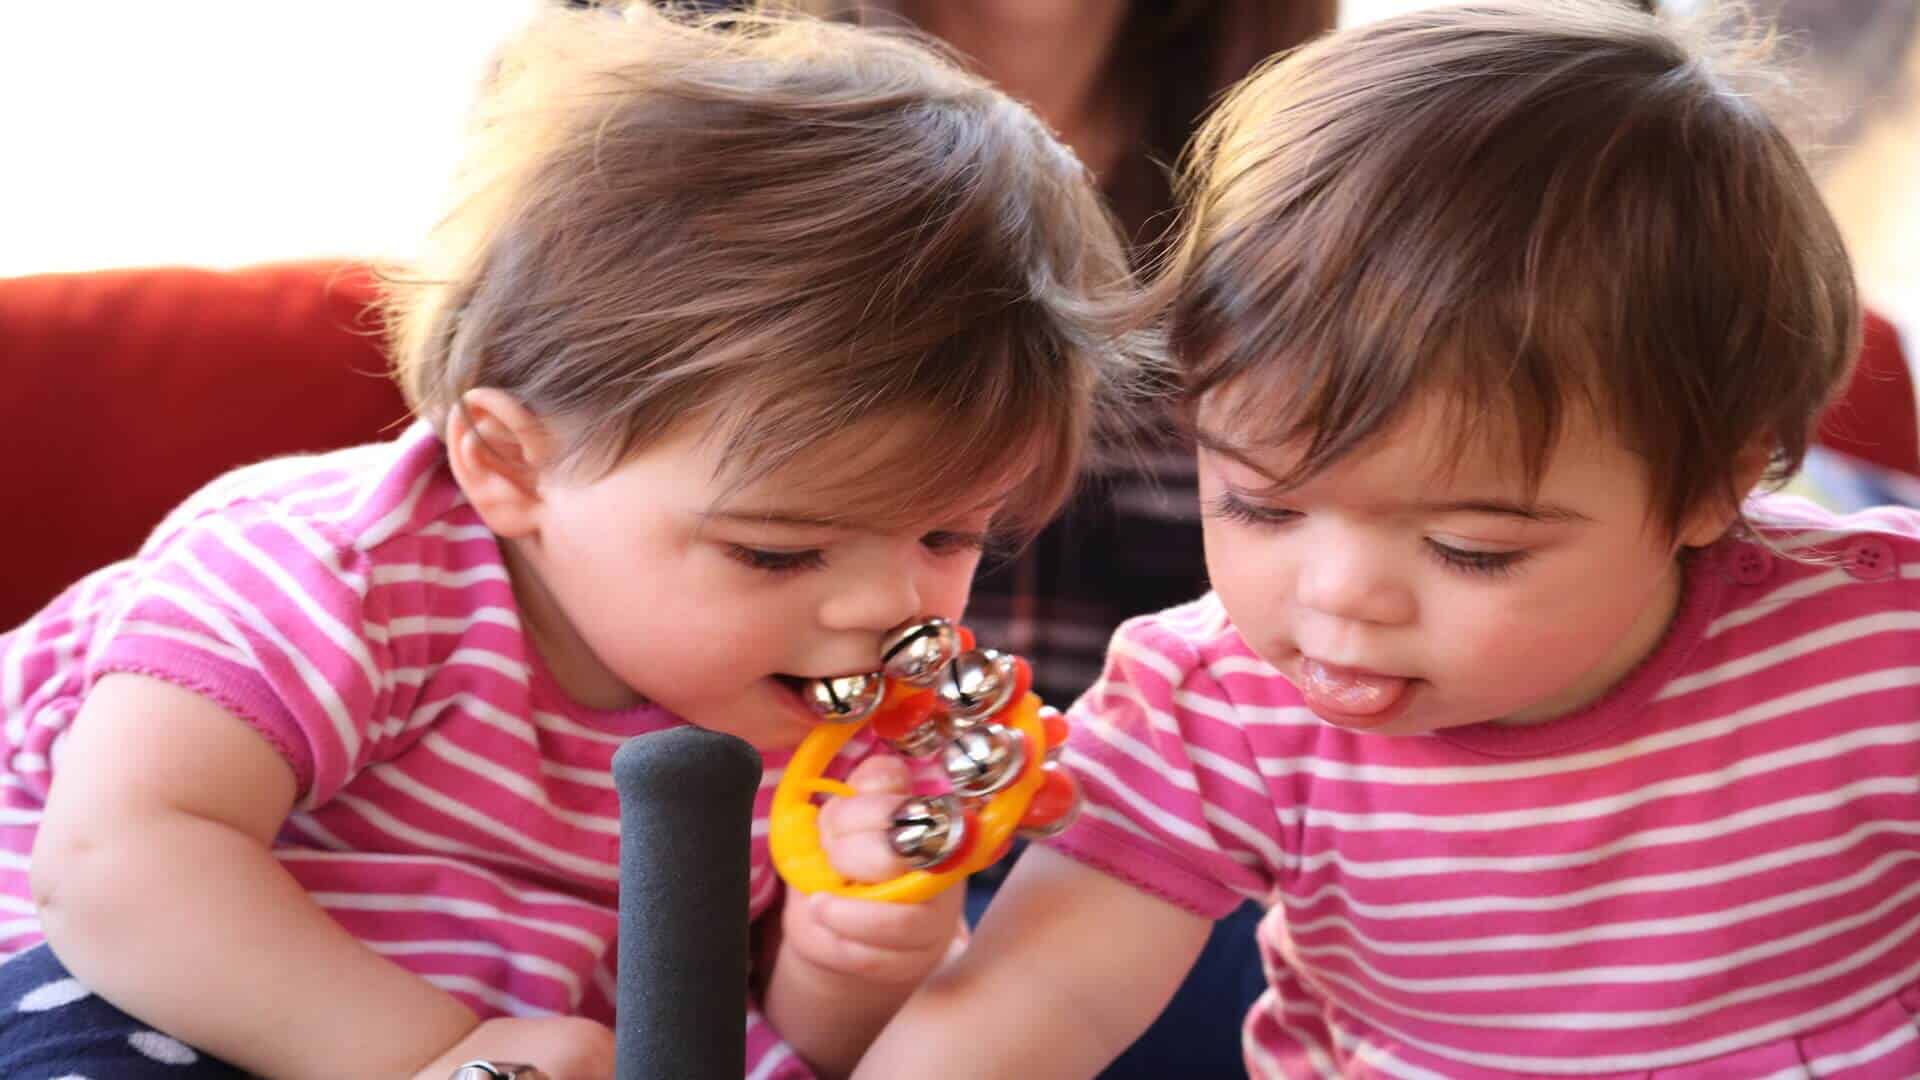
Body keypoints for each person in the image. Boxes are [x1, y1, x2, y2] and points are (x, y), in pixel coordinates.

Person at [0, 4, 1143, 1078]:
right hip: (115, 983)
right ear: (507, 465)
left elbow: (748, 1039)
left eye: (949, 535)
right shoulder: (330, 572)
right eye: (777, 552)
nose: (884, 608)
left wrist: (848, 958)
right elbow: (114, 873)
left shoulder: (832, 709)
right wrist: (435, 1057)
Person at [855, 2, 1918, 1076]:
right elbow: (1042, 993)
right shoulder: (1216, 710)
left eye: (1471, 548)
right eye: (1263, 507)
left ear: (1713, 486)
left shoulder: (1877, 646)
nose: (1340, 600)